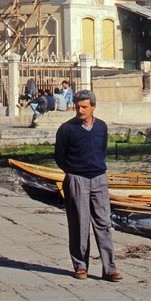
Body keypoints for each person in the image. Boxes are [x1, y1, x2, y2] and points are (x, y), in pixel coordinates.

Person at [53, 89, 121, 281]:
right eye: (77, 107)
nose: (80, 110)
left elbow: (102, 150)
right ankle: (81, 266)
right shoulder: (66, 129)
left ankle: (109, 268)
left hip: (99, 178)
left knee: (104, 224)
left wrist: (95, 168)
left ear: (93, 107)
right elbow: (59, 156)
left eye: (84, 107)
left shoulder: (101, 127)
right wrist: (73, 172)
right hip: (77, 179)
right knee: (79, 224)